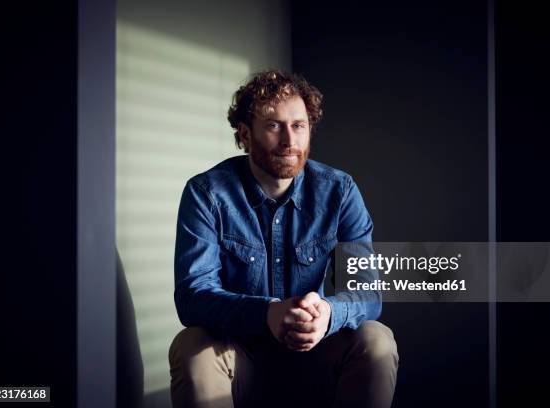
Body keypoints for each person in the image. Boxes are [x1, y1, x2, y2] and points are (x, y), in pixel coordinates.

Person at [169, 70, 398, 408]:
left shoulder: (340, 190)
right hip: (240, 358)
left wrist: (327, 315)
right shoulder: (207, 193)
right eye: (274, 125)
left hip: (318, 353)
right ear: (245, 134)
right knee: (191, 345)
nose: (290, 141)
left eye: (299, 126)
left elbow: (368, 291)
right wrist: (268, 313)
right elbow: (192, 297)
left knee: (377, 339)